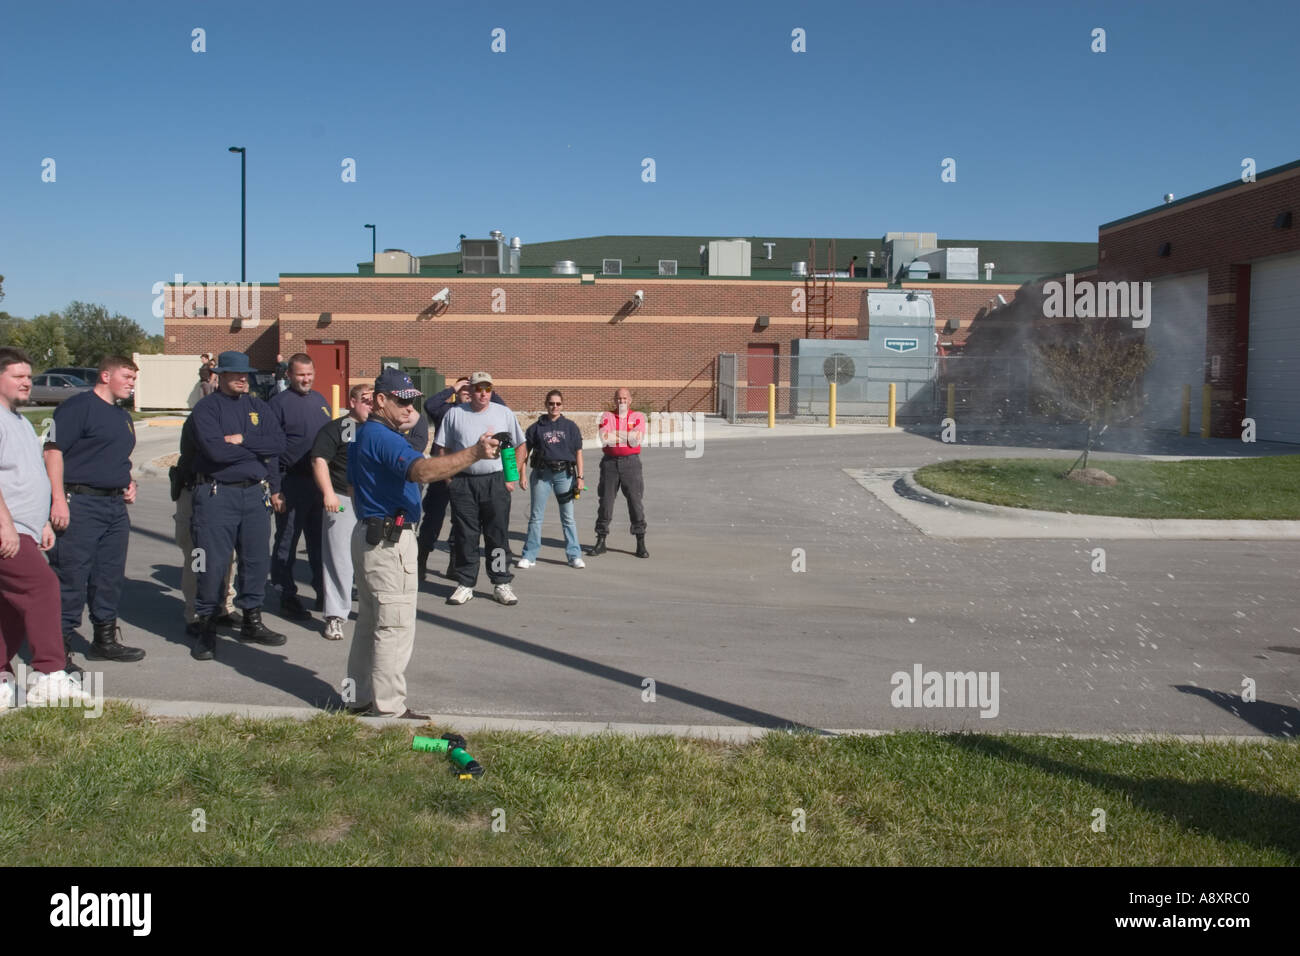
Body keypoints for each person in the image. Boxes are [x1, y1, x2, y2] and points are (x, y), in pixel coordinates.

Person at [345, 368, 499, 718]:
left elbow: (354, 485)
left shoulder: (364, 433)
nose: (408, 408)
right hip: (388, 540)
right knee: (394, 626)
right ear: (380, 400)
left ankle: (359, 699)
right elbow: (423, 472)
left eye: (412, 401)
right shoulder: (383, 437)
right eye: (401, 401)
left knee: (370, 625)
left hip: (371, 534)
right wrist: (474, 452)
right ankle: (389, 709)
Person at [0, 347, 93, 711]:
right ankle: (50, 675)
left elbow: (28, 474)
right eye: (17, 376)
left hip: (24, 528)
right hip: (7, 530)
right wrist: (6, 525)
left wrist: (39, 521)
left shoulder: (19, 421)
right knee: (42, 586)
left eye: (28, 375)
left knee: (9, 606)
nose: (27, 381)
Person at [43, 355, 146, 664]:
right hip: (80, 503)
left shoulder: (121, 417)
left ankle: (104, 640)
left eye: (134, 378)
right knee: (71, 576)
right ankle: (57, 652)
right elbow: (52, 451)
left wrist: (128, 481)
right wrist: (58, 499)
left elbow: (115, 457)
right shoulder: (77, 408)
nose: (131, 383)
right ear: (105, 375)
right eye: (126, 376)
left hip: (114, 507)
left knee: (109, 576)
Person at [189, 350, 287, 659]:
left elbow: (278, 444)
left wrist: (242, 440)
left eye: (245, 373)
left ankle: (252, 619)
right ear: (220, 375)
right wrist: (254, 450)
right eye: (235, 374)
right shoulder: (206, 409)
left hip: (254, 494)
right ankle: (206, 625)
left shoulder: (259, 406)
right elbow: (216, 453)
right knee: (213, 562)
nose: (242, 378)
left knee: (256, 560)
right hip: (218, 494)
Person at [435, 371, 525, 606]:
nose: (483, 393)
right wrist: (449, 479)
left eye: (487, 389)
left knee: (497, 535)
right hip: (463, 483)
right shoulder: (455, 414)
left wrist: (510, 476)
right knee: (466, 535)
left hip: (495, 482)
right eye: (478, 389)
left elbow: (519, 445)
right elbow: (441, 448)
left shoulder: (503, 413)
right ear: (470, 390)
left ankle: (500, 582)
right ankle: (465, 583)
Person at [417, 377, 507, 580]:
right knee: (433, 519)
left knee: (461, 524)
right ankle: (421, 560)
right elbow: (429, 404)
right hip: (443, 474)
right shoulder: (447, 411)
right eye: (465, 389)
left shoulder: (481, 411)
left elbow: (501, 406)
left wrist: (485, 385)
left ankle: (455, 566)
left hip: (466, 477)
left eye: (472, 389)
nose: (469, 392)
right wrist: (453, 387)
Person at [268, 353, 331, 620]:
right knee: (287, 543)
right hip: (290, 483)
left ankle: (322, 591)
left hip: (317, 485)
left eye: (309, 374)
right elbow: (269, 451)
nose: (305, 379)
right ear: (289, 375)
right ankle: (286, 595)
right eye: (300, 375)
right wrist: (274, 489)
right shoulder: (278, 404)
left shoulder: (320, 401)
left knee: (320, 544)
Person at [311, 383, 372, 641]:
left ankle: (373, 613)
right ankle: (336, 616)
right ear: (353, 402)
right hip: (342, 499)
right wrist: (328, 493)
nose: (371, 405)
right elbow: (319, 460)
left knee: (372, 560)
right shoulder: (340, 428)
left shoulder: (379, 428)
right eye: (366, 401)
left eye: (374, 400)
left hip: (372, 503)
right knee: (340, 561)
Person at [172, 414, 240, 637]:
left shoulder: (238, 418)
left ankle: (224, 607)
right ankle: (196, 614)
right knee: (197, 556)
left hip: (226, 494)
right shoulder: (200, 419)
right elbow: (213, 450)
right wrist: (233, 441)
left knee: (229, 555)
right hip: (196, 491)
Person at [517, 389, 585, 569]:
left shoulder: (570, 427)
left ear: (562, 405)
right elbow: (524, 453)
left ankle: (574, 555)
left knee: (568, 517)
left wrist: (580, 477)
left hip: (565, 476)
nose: (554, 407)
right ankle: (529, 555)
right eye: (551, 403)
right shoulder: (536, 427)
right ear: (546, 404)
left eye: (558, 404)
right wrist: (522, 475)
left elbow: (578, 452)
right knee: (536, 517)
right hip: (541, 475)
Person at [590, 386, 649, 558]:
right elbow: (604, 438)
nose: (621, 401)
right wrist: (626, 436)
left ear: (630, 400)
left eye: (624, 398)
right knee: (606, 503)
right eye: (618, 398)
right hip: (609, 464)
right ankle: (601, 541)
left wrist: (616, 434)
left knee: (635, 502)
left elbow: (635, 439)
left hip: (631, 464)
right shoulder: (607, 416)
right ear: (614, 400)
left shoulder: (638, 416)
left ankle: (640, 542)